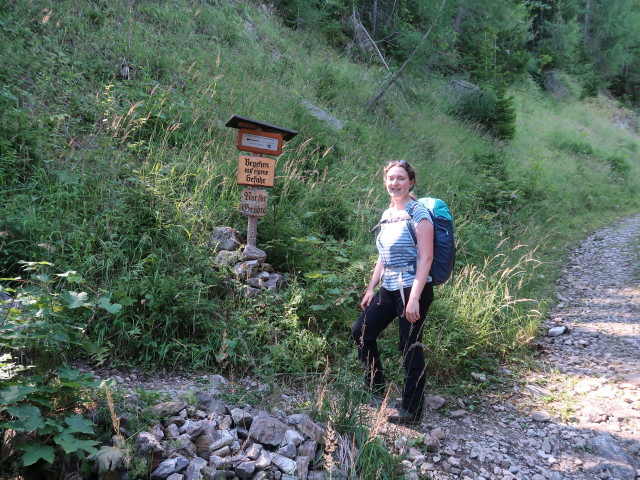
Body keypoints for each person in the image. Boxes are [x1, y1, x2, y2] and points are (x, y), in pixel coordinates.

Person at [352, 160, 434, 425]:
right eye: (390, 178)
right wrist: (371, 286)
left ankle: (412, 410)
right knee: (362, 331)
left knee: (409, 346)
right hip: (389, 287)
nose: (394, 183)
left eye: (400, 178)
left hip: (413, 288)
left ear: (411, 182)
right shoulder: (389, 213)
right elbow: (383, 256)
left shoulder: (419, 213)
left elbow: (426, 258)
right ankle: (375, 388)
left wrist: (413, 299)